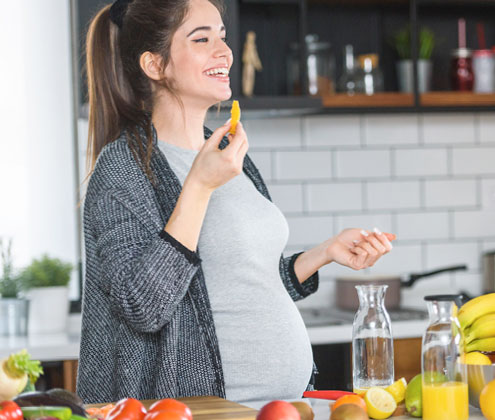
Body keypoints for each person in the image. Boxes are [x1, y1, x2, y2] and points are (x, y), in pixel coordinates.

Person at [78, 0, 396, 405]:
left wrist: (323, 253)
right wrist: (198, 186)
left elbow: (241, 284)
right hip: (207, 411)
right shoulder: (124, 166)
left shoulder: (226, 152)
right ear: (155, 65)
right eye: (201, 38)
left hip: (283, 405)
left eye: (222, 37)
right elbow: (142, 306)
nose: (224, 52)